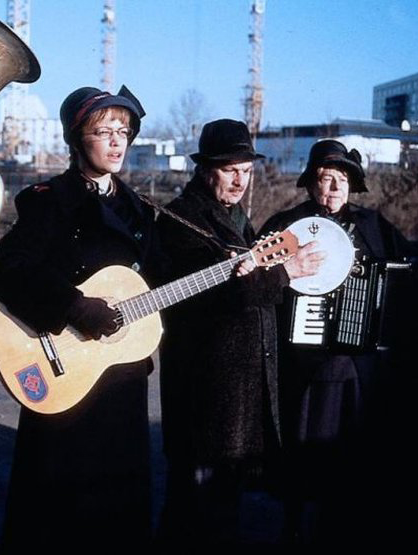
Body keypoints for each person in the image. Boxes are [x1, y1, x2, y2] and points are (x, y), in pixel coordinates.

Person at [0, 86, 164, 548]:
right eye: (102, 131)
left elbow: (160, 281)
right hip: (65, 372)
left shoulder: (141, 210)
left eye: (123, 132)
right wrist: (72, 306)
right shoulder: (49, 201)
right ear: (76, 139)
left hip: (122, 377)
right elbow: (8, 272)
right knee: (56, 516)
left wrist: (235, 268)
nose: (116, 142)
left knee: (116, 512)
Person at [156, 119, 324, 546]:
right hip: (204, 397)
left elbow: (248, 290)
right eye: (230, 169)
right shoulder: (183, 218)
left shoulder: (237, 220)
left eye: (246, 170)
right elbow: (211, 296)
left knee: (219, 515)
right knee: (193, 517)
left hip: (235, 400)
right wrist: (285, 272)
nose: (239, 180)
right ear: (204, 168)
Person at [260, 139, 410, 544]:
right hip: (305, 363)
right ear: (311, 184)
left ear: (352, 185)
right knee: (301, 449)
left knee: (350, 456)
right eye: (325, 180)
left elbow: (408, 266)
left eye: (340, 181)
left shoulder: (373, 225)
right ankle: (292, 525)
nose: (331, 190)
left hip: (357, 361)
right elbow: (259, 284)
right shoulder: (286, 224)